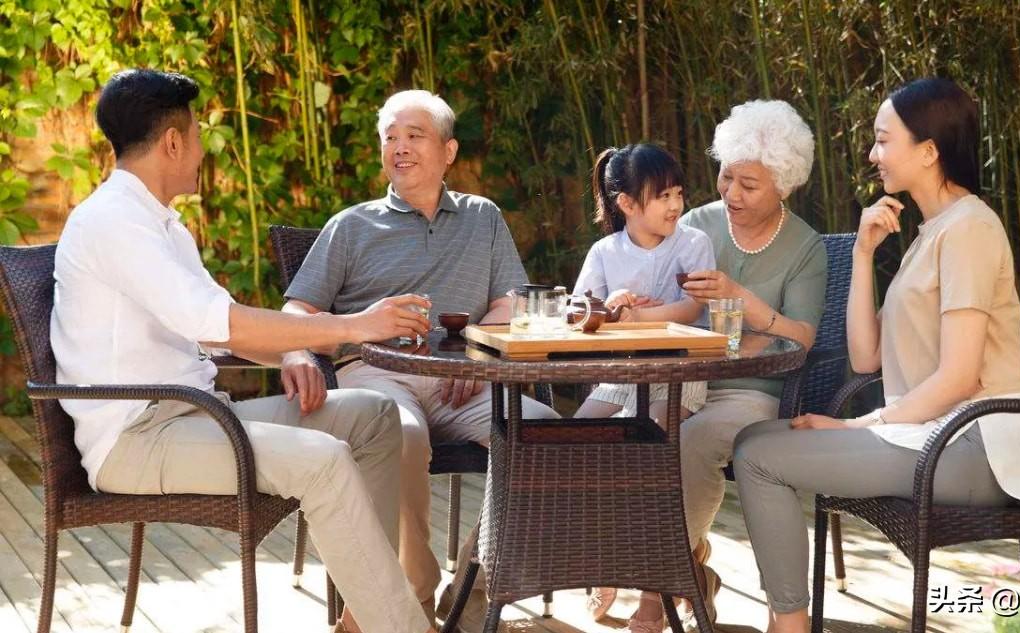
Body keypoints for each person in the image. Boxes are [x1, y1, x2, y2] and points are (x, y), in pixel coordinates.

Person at [52, 69, 434, 633]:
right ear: (173, 142)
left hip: (195, 417)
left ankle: (366, 620)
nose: (204, 150)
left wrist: (292, 355)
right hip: (137, 439)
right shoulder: (113, 222)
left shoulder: (162, 226)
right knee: (323, 461)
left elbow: (216, 329)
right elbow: (225, 325)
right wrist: (355, 325)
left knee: (372, 418)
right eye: (198, 135)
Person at [731, 78, 1020, 633]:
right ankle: (791, 617)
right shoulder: (931, 231)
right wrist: (863, 253)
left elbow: (960, 376)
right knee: (753, 441)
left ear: (928, 150)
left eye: (882, 140)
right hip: (935, 432)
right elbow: (865, 357)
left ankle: (790, 625)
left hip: (976, 445)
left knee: (759, 457)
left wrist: (859, 424)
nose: (872, 155)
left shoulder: (970, 230)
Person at [281, 89, 559, 624]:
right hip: (378, 375)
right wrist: (294, 348)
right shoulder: (352, 225)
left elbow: (511, 301)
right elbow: (298, 306)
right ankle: (413, 585)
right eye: (391, 137)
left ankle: (473, 585)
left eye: (415, 135)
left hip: (466, 381)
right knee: (399, 435)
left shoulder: (484, 218)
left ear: (449, 152)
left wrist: (477, 357)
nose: (400, 147)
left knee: (544, 435)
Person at [587, 101, 826, 631]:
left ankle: (655, 590)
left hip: (751, 389)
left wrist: (741, 300)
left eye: (749, 184)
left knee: (690, 441)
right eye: (726, 177)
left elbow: (803, 337)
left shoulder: (805, 247)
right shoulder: (692, 224)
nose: (730, 194)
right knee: (613, 430)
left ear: (782, 186)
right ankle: (679, 566)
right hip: (673, 375)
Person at [573, 144, 715, 430]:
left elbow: (691, 308)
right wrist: (609, 306)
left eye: (678, 193)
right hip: (621, 376)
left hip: (680, 374)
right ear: (627, 204)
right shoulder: (605, 251)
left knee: (642, 431)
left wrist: (635, 318)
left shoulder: (694, 243)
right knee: (576, 432)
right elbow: (577, 311)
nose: (676, 205)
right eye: (663, 196)